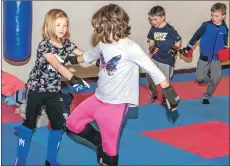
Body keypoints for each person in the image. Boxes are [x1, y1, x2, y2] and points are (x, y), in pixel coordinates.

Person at [65, 4, 180, 166]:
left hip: (116, 104)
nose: (97, 31)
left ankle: (106, 151)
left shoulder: (130, 47)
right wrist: (71, 60)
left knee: (110, 150)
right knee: (72, 124)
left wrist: (168, 90)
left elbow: (152, 69)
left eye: (99, 27)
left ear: (111, 26)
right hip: (98, 98)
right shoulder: (104, 43)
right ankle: (99, 142)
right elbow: (89, 55)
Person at [14, 9, 88, 166]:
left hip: (53, 91)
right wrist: (74, 80)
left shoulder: (67, 44)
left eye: (65, 25)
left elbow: (82, 56)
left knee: (58, 125)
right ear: (49, 26)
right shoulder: (44, 45)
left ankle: (51, 160)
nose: (62, 28)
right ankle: (20, 158)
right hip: (36, 90)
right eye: (58, 25)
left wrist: (98, 60)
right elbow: (57, 65)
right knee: (29, 124)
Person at [181, 2, 228, 104]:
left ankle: (207, 96)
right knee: (200, 78)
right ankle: (209, 77)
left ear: (223, 16)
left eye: (217, 16)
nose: (213, 18)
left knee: (215, 79)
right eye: (212, 15)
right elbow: (196, 36)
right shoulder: (206, 25)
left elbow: (224, 42)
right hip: (204, 57)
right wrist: (188, 47)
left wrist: (225, 49)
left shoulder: (225, 29)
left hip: (216, 59)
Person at [146, 5, 182, 104]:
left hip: (167, 60)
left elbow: (178, 40)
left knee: (165, 80)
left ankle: (165, 97)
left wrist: (174, 49)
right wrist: (151, 47)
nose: (153, 22)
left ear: (162, 17)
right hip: (155, 58)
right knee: (149, 76)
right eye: (151, 19)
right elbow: (151, 40)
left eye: (155, 19)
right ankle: (153, 94)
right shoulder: (153, 28)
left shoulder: (169, 29)